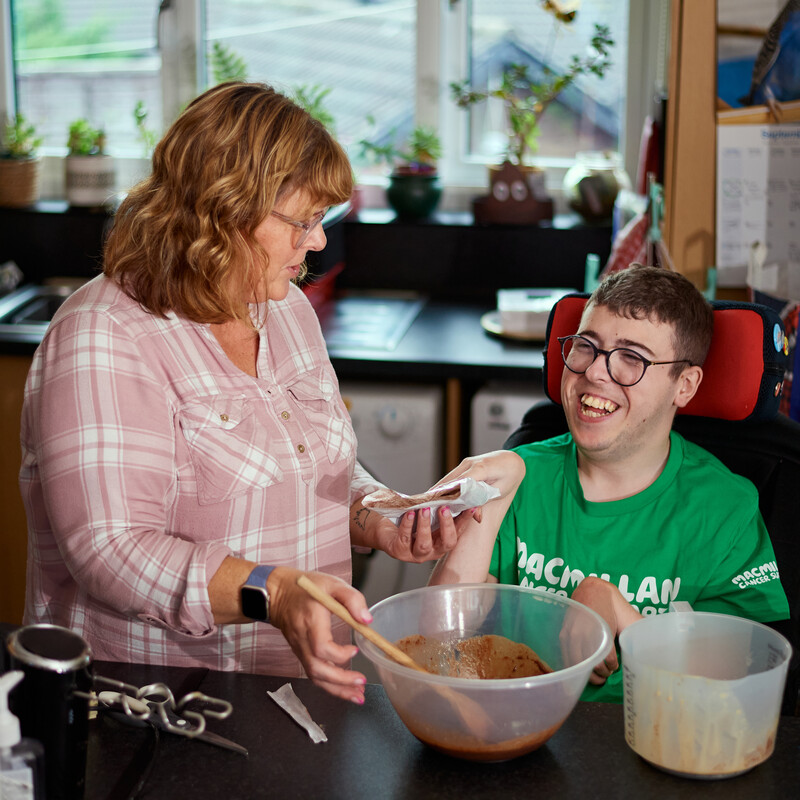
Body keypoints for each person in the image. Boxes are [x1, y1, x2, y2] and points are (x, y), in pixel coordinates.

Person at [19, 81, 464, 705]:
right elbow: (110, 551)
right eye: (302, 221)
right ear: (224, 210)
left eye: (322, 220)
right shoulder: (105, 334)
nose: (318, 242)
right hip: (157, 705)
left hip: (296, 685)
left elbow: (307, 465)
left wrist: (379, 513)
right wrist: (274, 591)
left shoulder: (282, 312)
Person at [428, 265, 790, 702]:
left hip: (655, 743)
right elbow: (438, 643)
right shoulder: (524, 476)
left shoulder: (725, 509)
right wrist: (491, 498)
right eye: (586, 346)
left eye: (632, 358)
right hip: (519, 728)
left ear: (685, 385)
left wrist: (621, 613)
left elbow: (743, 681)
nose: (597, 373)